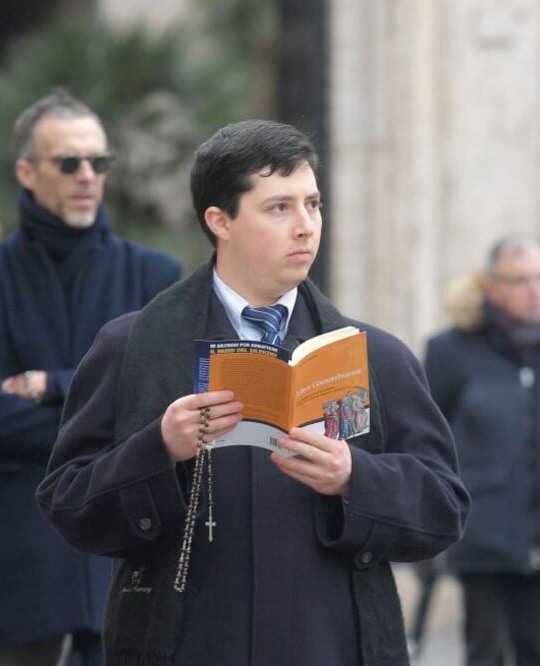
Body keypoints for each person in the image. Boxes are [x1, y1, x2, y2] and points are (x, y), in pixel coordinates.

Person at [35, 119, 470, 665]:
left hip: (331, 647)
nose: (305, 227)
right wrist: (158, 449)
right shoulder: (132, 346)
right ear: (220, 220)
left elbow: (445, 508)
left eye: (312, 205)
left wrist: (355, 477)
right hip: (187, 647)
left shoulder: (375, 354)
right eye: (279, 208)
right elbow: (68, 504)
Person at [0, 89, 181, 665]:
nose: (86, 176)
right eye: (69, 162)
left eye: (98, 162)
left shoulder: (153, 274)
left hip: (124, 555)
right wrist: (111, 427)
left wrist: (50, 385)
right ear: (26, 171)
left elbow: (164, 403)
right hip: (17, 562)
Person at [424, 234, 540, 666]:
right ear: (491, 288)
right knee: (486, 651)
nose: (535, 289)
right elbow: (433, 434)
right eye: (520, 280)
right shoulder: (449, 350)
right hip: (483, 531)